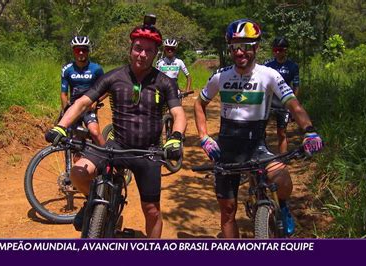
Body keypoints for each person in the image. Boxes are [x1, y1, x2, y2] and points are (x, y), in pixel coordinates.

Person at [45, 19, 187, 238]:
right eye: (138, 48)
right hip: (116, 147)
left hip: (148, 152)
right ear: (130, 50)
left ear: (155, 54)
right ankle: (91, 203)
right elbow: (82, 102)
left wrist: (175, 137)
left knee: (151, 210)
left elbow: (178, 113)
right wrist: (61, 126)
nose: (142, 54)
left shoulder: (165, 82)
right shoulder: (114, 76)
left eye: (149, 51)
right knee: (78, 173)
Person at [194, 19, 322, 238]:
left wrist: (309, 130)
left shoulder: (269, 75)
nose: (240, 52)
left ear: (256, 47)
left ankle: (282, 207)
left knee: (282, 178)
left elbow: (293, 104)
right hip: (227, 149)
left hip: (256, 145)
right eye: (235, 46)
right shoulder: (220, 76)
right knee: (227, 211)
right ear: (230, 48)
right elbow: (199, 103)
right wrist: (204, 136)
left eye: (247, 45)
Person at [61, 36, 105, 146]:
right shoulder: (67, 70)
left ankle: (108, 159)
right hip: (74, 108)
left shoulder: (97, 69)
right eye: (77, 50)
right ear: (73, 51)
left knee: (95, 133)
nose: (81, 53)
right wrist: (65, 110)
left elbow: (106, 89)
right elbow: (63, 94)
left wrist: (95, 102)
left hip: (89, 107)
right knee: (76, 142)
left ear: (88, 51)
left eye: (84, 50)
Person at [264, 36, 300, 153]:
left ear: (285, 50)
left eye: (279, 50)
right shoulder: (267, 65)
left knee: (282, 133)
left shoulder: (293, 66)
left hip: (283, 104)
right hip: (268, 103)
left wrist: (294, 109)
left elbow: (296, 86)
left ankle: (282, 159)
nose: (277, 53)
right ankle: (261, 156)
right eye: (275, 50)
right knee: (260, 132)